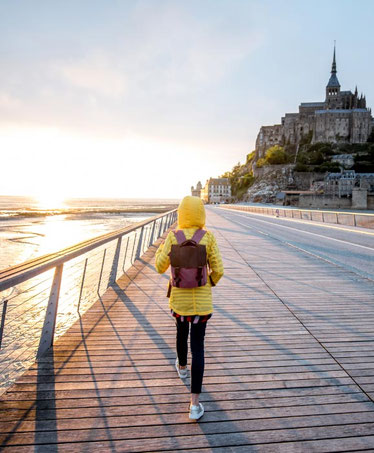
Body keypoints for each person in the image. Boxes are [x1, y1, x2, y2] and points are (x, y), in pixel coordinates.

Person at [155, 196, 224, 420]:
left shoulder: (173, 236)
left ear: (180, 214)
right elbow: (219, 270)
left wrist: (162, 250)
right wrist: (208, 283)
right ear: (201, 213)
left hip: (179, 300)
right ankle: (195, 405)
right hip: (201, 304)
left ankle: (182, 368)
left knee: (180, 332)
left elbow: (159, 267)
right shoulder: (208, 237)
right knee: (199, 347)